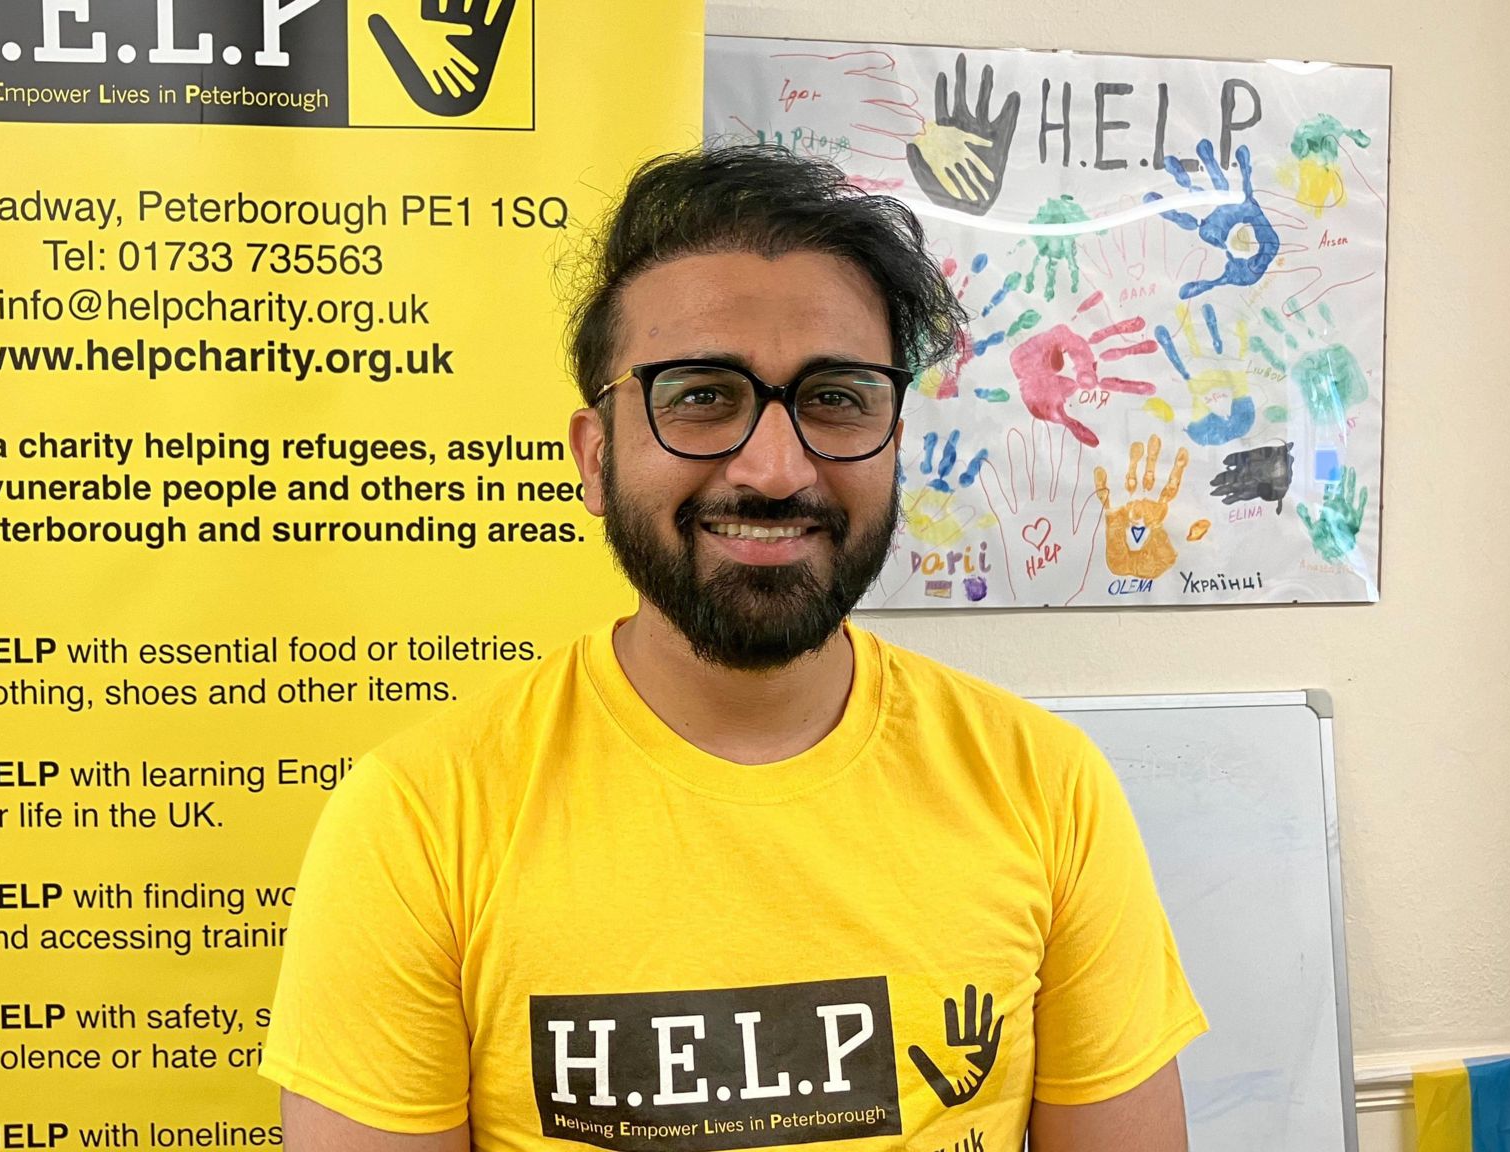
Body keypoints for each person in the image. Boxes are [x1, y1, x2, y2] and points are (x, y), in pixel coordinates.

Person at [265, 146, 1207, 1152]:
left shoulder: (1044, 785)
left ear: (894, 439)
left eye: (835, 397)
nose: (771, 467)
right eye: (702, 395)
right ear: (596, 456)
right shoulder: (419, 819)